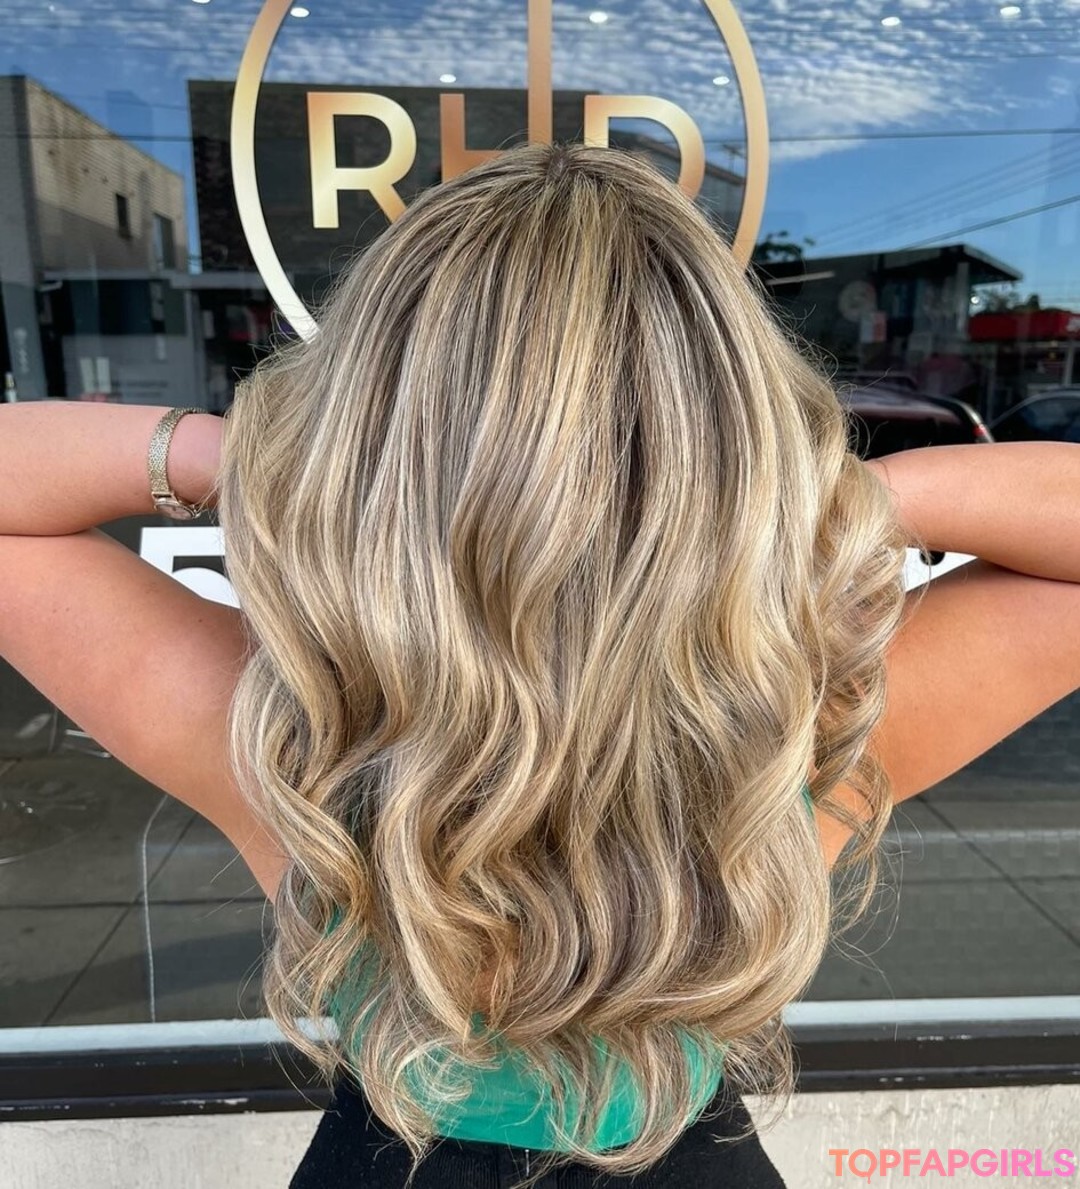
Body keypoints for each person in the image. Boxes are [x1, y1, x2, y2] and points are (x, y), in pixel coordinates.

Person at [3, 141, 1080, 1188]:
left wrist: (261, 459)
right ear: (730, 451)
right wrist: (832, 498)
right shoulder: (792, 742)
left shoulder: (296, 741)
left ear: (374, 450)